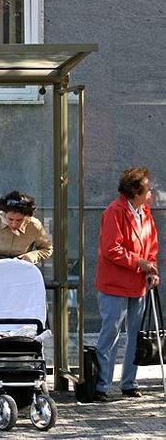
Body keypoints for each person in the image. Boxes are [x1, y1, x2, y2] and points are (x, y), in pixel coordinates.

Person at [93, 167, 159, 402]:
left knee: (135, 334)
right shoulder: (114, 211)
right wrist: (139, 262)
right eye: (147, 187)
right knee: (111, 332)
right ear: (135, 191)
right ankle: (101, 384)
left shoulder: (145, 211)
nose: (150, 190)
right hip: (114, 284)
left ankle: (129, 382)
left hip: (137, 282)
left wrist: (151, 267)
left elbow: (151, 243)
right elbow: (111, 249)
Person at [0, 190, 53, 266]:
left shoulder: (35, 225)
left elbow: (47, 248)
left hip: (21, 269)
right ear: (4, 214)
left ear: (27, 217)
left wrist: (32, 256)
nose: (14, 224)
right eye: (10, 219)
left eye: (19, 220)